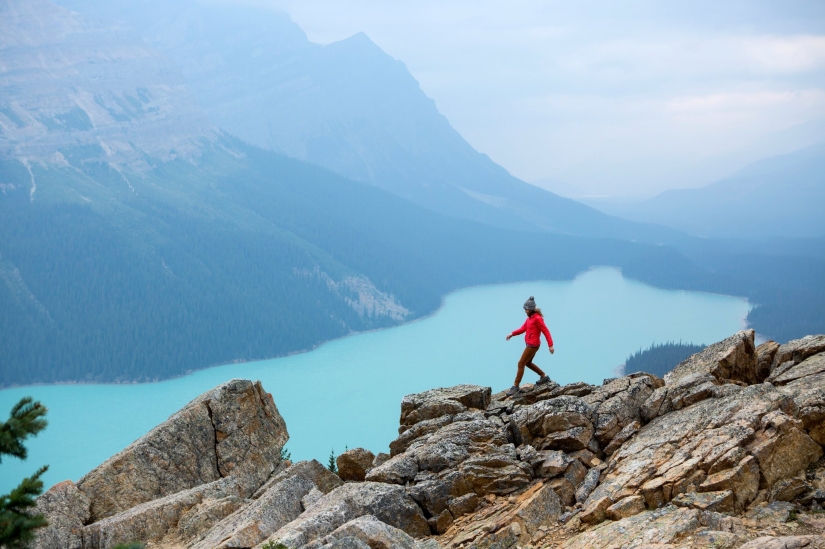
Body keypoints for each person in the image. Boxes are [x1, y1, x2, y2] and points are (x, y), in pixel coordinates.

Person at [505, 296, 554, 396]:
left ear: (531, 309)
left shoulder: (537, 319)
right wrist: (512, 333)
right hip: (530, 344)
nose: (525, 311)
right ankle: (544, 376)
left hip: (533, 345)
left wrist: (550, 345)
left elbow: (546, 331)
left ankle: (515, 386)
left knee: (521, 363)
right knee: (527, 363)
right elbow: (523, 329)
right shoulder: (529, 319)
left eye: (526, 309)